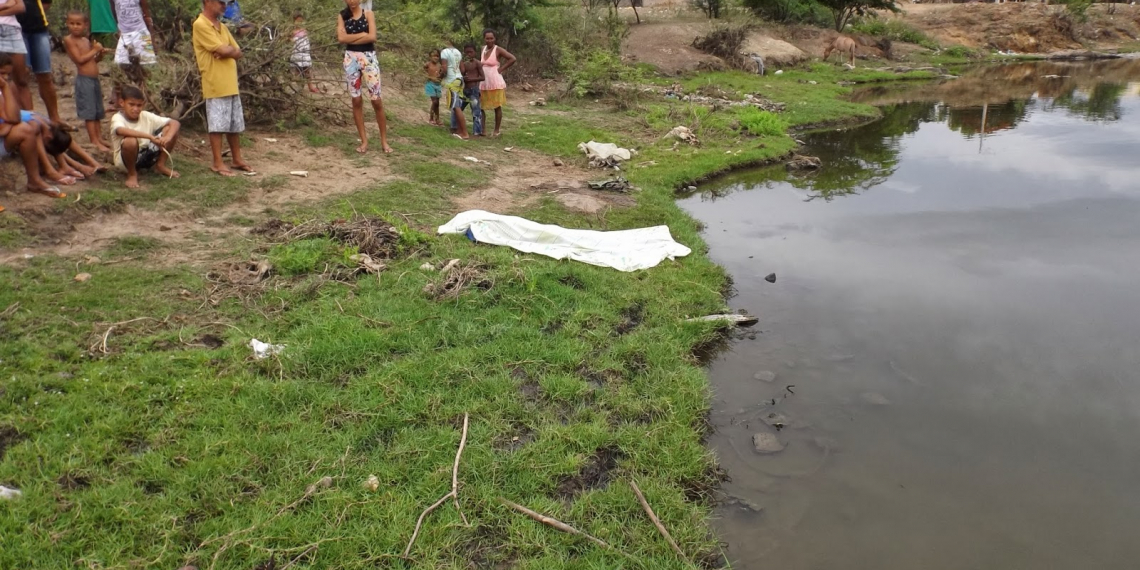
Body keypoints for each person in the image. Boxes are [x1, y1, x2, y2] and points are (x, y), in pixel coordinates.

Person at [192, 0, 252, 176]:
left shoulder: (222, 27)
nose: (224, 5)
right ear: (208, 2)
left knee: (234, 125)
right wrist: (227, 51)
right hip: (215, 82)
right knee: (217, 125)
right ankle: (217, 162)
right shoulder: (200, 24)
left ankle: (236, 159)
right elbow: (224, 50)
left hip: (230, 82)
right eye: (221, 1)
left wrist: (228, 52)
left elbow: (237, 51)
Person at [0, 52, 66, 201]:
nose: (4, 78)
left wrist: (5, 88)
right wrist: (7, 127)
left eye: (7, 75)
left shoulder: (3, 89)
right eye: (1, 74)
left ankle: (34, 180)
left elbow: (13, 118)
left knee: (27, 128)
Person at [337, 0, 390, 154]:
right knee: (356, 100)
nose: (352, 1)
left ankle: (384, 141)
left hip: (368, 58)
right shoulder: (342, 15)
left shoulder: (368, 14)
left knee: (376, 100)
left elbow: (372, 37)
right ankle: (364, 141)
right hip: (350, 59)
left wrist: (350, 37)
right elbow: (341, 39)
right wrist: (361, 34)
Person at [110, 85, 179, 188]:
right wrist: (150, 137)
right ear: (122, 103)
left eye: (139, 105)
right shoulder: (117, 118)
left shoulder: (145, 115)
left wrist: (167, 138)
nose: (136, 109)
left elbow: (175, 123)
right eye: (131, 104)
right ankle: (132, 173)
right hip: (125, 161)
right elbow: (121, 130)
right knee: (130, 141)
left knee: (171, 130)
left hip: (146, 154)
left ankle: (160, 165)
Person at [63, 10, 111, 153]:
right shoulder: (69, 40)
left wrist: (100, 55)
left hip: (94, 79)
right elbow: (80, 60)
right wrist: (95, 49)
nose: (75, 27)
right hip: (84, 81)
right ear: (67, 24)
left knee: (97, 110)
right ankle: (94, 140)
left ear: (85, 25)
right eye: (72, 23)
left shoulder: (85, 40)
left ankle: (99, 137)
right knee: (89, 111)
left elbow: (92, 60)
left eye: (78, 24)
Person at [14, 0, 64, 126]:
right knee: (21, 78)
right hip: (15, 29)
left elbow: (46, 3)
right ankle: (30, 119)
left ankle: (55, 118)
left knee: (45, 75)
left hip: (39, 28)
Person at [479, 29, 515, 138]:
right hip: (483, 82)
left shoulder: (498, 49)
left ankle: (496, 130)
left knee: (497, 106)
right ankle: (483, 129)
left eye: (491, 38)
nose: (489, 40)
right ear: (484, 39)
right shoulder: (482, 49)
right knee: (481, 106)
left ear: (495, 39)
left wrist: (501, 69)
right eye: (487, 38)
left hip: (495, 82)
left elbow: (512, 58)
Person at [290, 11, 318, 94]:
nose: (299, 23)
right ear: (294, 21)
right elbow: (288, 39)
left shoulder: (305, 30)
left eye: (301, 21)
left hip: (305, 53)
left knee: (307, 69)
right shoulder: (292, 31)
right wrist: (292, 40)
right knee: (297, 70)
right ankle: (299, 86)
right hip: (297, 53)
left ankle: (310, 86)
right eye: (298, 21)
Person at [460, 43, 484, 137]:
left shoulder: (477, 63)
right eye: (467, 52)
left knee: (476, 111)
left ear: (475, 52)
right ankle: (456, 126)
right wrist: (464, 78)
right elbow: (461, 74)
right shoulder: (464, 64)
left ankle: (477, 131)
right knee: (458, 108)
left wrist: (472, 79)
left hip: (474, 90)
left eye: (471, 52)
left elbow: (482, 77)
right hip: (465, 90)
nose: (469, 54)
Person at [439, 39, 461, 134]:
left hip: (451, 80)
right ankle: (454, 127)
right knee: (456, 105)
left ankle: (460, 130)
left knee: (455, 106)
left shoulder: (444, 52)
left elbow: (444, 68)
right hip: (459, 78)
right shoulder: (458, 52)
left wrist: (439, 77)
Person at [423, 49, 442, 126]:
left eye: (437, 56)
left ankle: (437, 119)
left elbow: (441, 74)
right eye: (434, 56)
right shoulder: (428, 64)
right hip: (430, 84)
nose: (436, 58)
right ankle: (431, 118)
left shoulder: (439, 65)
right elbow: (423, 71)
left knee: (437, 103)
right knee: (434, 101)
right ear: (430, 57)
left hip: (438, 85)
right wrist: (429, 76)